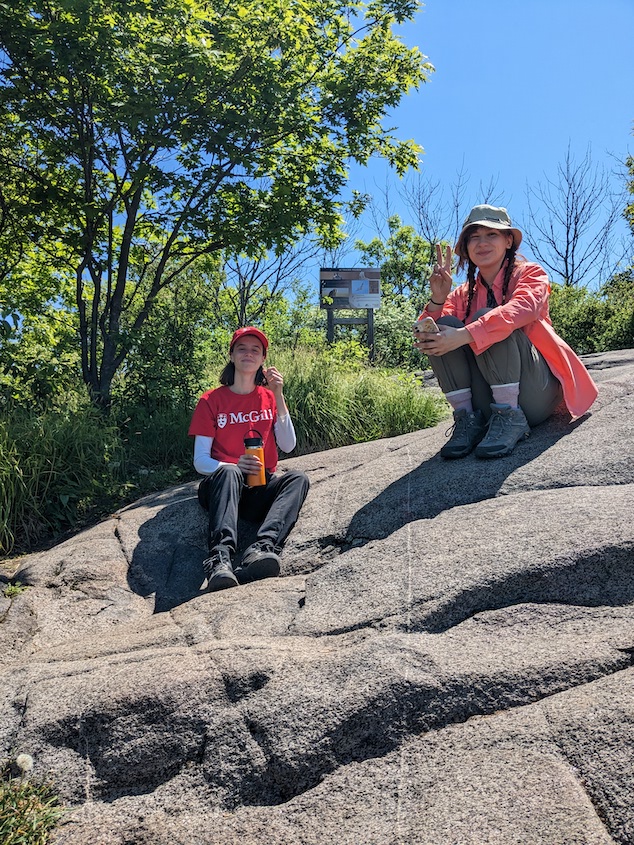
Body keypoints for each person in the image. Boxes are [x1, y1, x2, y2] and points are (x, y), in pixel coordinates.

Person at [413, 204, 598, 459]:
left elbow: (522, 309)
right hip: (486, 403)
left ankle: (510, 417)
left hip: (533, 396)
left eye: (492, 235)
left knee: (486, 317)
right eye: (474, 237)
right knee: (444, 325)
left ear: (508, 240)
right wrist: (437, 299)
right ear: (466, 248)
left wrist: (466, 335)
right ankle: (467, 419)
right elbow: (425, 337)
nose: (482, 243)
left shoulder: (531, 274)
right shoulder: (461, 295)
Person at [188, 327, 309, 591]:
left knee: (298, 478)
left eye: (256, 350)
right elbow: (200, 461)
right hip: (221, 487)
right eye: (242, 348)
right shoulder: (211, 400)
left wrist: (278, 395)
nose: (249, 353)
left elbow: (288, 445)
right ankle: (220, 559)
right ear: (231, 355)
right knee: (230, 473)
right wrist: (231, 465)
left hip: (257, 488)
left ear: (263, 359)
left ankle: (262, 548)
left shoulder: (269, 397)